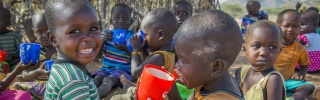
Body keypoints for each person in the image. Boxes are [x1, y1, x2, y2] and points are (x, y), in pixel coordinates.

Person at [111, 8, 181, 100]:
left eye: (145, 35)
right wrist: (143, 49)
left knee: (116, 98)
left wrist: (135, 50)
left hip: (148, 96)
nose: (144, 38)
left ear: (160, 35)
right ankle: (130, 87)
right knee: (133, 90)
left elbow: (136, 72)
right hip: (151, 91)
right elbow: (146, 65)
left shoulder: (160, 56)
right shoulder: (168, 54)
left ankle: (130, 87)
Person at [175, 10, 244, 99]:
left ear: (216, 67)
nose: (176, 66)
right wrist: (169, 88)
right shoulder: (207, 81)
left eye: (183, 61)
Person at [43, 0, 102, 99]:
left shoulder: (63, 68)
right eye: (75, 31)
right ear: (53, 39)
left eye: (93, 28)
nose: (88, 37)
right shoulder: (74, 81)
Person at [91, 3, 134, 98]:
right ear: (111, 21)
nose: (121, 21)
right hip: (105, 69)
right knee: (97, 79)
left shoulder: (132, 38)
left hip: (122, 71)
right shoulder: (107, 35)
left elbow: (135, 57)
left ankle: (95, 97)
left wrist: (126, 49)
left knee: (108, 81)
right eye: (117, 18)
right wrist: (103, 40)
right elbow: (96, 54)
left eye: (125, 18)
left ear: (131, 21)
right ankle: (85, 95)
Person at [235, 21, 285, 100]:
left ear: (279, 51)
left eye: (272, 47)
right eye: (257, 46)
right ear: (245, 49)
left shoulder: (272, 80)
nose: (263, 53)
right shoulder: (241, 72)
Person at [275, 9, 315, 100]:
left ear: (300, 27)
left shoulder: (300, 48)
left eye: (295, 26)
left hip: (287, 82)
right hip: (267, 80)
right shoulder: (270, 44)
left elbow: (304, 65)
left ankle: (293, 99)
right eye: (286, 26)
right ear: (277, 25)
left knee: (309, 87)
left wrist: (301, 75)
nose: (290, 30)